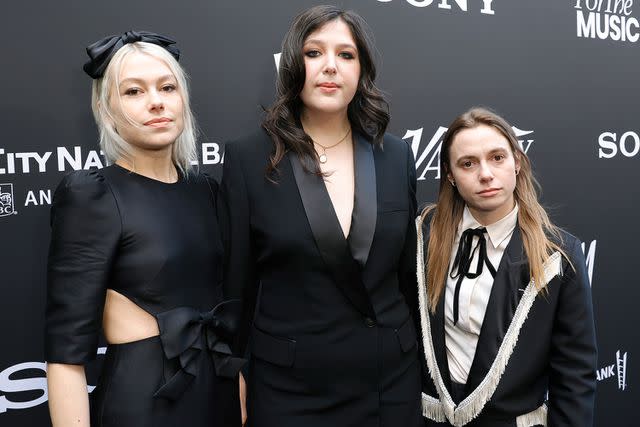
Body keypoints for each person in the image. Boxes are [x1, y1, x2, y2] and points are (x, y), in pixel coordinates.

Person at [218, 5, 421, 427]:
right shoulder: (248, 158)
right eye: (314, 53)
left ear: (361, 70)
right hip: (291, 391)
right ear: (293, 64)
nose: (330, 66)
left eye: (346, 55)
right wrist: (231, 374)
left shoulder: (396, 155)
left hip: (389, 384)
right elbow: (236, 285)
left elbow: (407, 276)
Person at [45, 31, 243, 427]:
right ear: (107, 108)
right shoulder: (93, 195)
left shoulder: (205, 190)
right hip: (144, 403)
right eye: (133, 92)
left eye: (167, 87)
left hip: (217, 392)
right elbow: (66, 354)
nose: (156, 101)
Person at [415, 107, 597, 426]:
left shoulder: (558, 254)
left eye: (497, 157)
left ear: (517, 161)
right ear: (450, 175)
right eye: (467, 163)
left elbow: (575, 376)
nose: (485, 174)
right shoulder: (423, 235)